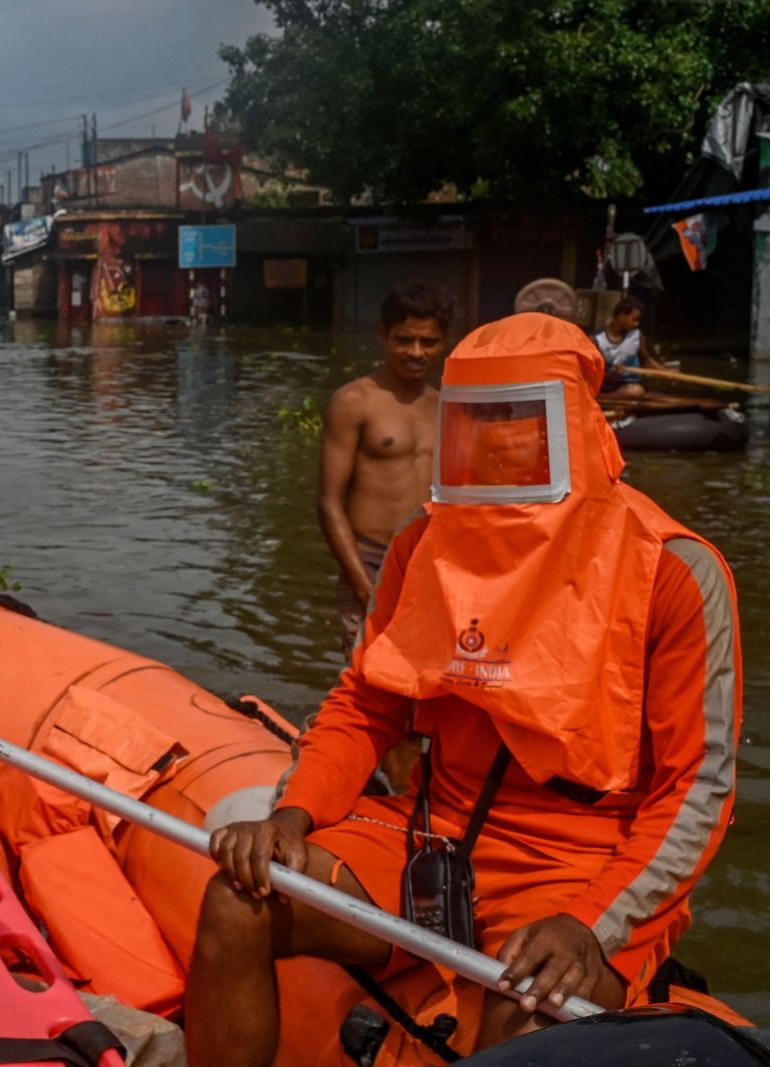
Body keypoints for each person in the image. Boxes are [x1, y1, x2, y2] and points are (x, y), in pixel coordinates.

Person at [185, 313, 741, 1067]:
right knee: (235, 900)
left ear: (576, 422)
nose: (501, 441)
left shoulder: (674, 571)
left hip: (579, 862)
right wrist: (292, 812)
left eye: (522, 417)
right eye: (481, 418)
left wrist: (592, 923)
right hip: (430, 834)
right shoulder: (425, 544)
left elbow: (694, 788)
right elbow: (365, 701)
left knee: (531, 1027)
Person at [320, 283, 453, 663]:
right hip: (369, 559)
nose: (415, 352)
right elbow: (329, 503)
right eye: (404, 340)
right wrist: (365, 586)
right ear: (382, 334)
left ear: (443, 341)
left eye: (428, 342)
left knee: (425, 683)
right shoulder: (354, 402)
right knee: (367, 680)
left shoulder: (446, 406)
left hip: (427, 564)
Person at [593, 296, 663, 397]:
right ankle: (607, 396)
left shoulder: (637, 336)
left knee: (636, 390)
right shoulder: (597, 340)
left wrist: (667, 372)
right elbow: (592, 374)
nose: (637, 324)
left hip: (630, 385)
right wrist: (612, 375)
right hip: (607, 385)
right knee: (636, 391)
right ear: (621, 316)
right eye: (634, 320)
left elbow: (647, 360)